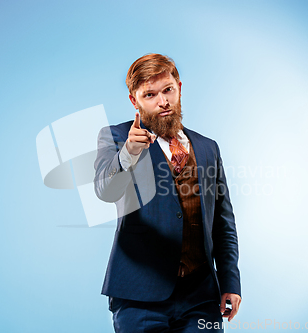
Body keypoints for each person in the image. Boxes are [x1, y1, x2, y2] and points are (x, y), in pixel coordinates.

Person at [94, 53, 241, 332]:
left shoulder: (208, 147)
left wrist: (230, 282)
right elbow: (105, 190)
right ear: (134, 100)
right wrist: (129, 153)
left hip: (201, 296)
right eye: (149, 94)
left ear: (179, 88)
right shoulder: (116, 137)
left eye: (168, 90)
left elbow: (223, 223)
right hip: (140, 298)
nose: (162, 101)